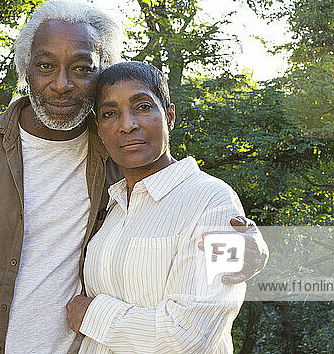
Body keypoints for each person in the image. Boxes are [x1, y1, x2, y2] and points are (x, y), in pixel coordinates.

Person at [0, 0, 267, 354]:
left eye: (82, 68)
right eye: (45, 65)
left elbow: (195, 207)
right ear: (25, 71)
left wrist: (251, 251)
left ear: (101, 74)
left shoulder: (120, 154)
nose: (62, 83)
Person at [66, 61, 256, 353]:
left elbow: (189, 335)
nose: (127, 124)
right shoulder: (112, 207)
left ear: (169, 116)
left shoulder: (215, 202)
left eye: (142, 107)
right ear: (100, 129)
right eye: (110, 114)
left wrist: (91, 314)